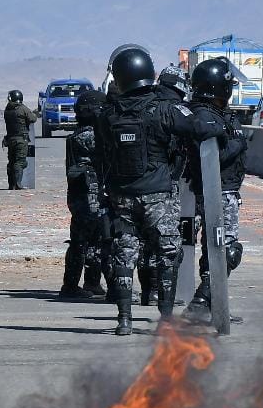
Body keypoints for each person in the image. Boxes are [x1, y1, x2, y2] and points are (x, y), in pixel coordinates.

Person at [94, 45, 226, 336]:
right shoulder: (162, 109)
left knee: (124, 254)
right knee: (168, 252)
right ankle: (165, 319)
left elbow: (101, 154)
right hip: (157, 196)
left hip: (121, 196)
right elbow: (201, 127)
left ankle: (124, 319)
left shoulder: (107, 114)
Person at [182, 58, 249, 322]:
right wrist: (239, 143)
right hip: (216, 191)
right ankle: (201, 301)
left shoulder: (216, 114)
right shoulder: (204, 117)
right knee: (227, 249)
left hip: (221, 190)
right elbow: (212, 157)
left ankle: (214, 304)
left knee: (214, 250)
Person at [59, 86, 109, 299]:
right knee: (87, 241)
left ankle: (91, 282)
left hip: (83, 195)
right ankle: (72, 285)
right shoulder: (89, 136)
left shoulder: (79, 134)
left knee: (91, 240)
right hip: (89, 196)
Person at [2, 88, 36, 189]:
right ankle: (18, 184)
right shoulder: (22, 108)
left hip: (10, 139)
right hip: (21, 140)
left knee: (11, 162)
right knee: (20, 162)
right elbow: (32, 118)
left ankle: (11, 184)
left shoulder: (7, 110)